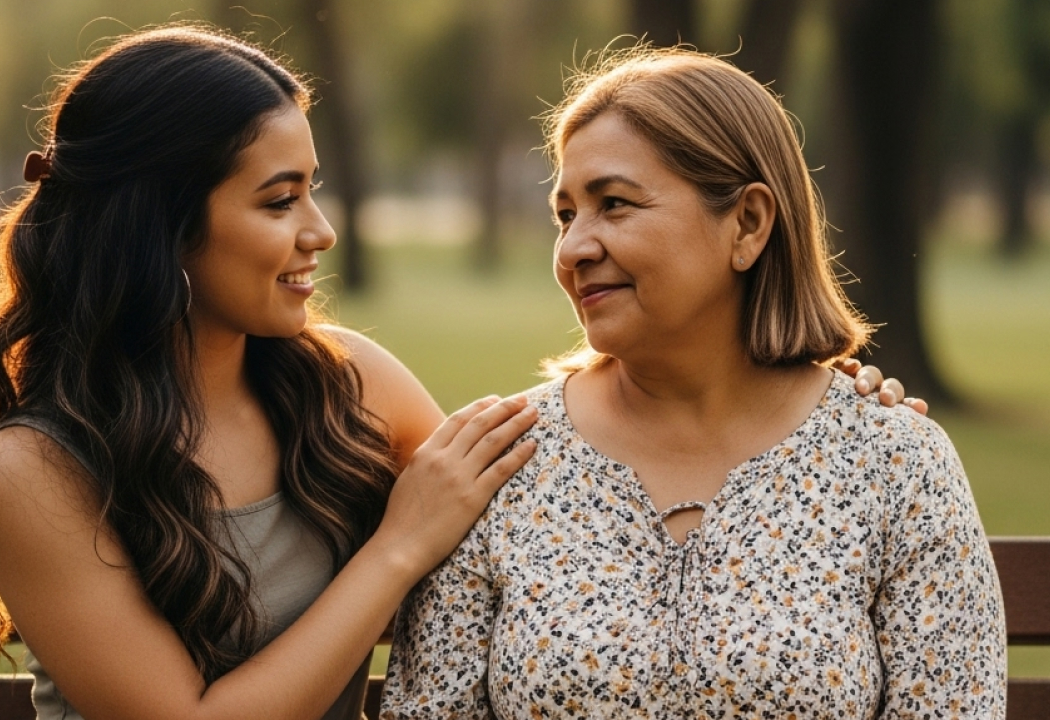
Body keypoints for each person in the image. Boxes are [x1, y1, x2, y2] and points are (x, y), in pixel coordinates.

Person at [0, 27, 917, 720]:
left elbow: (559, 484)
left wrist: (809, 413)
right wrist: (395, 551)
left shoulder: (343, 383)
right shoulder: (37, 470)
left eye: (312, 190)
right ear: (162, 225)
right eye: (280, 200)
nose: (319, 232)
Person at [382, 46, 1005, 719]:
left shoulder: (896, 463)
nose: (571, 250)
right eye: (566, 215)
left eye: (613, 204)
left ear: (748, 223)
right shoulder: (499, 464)